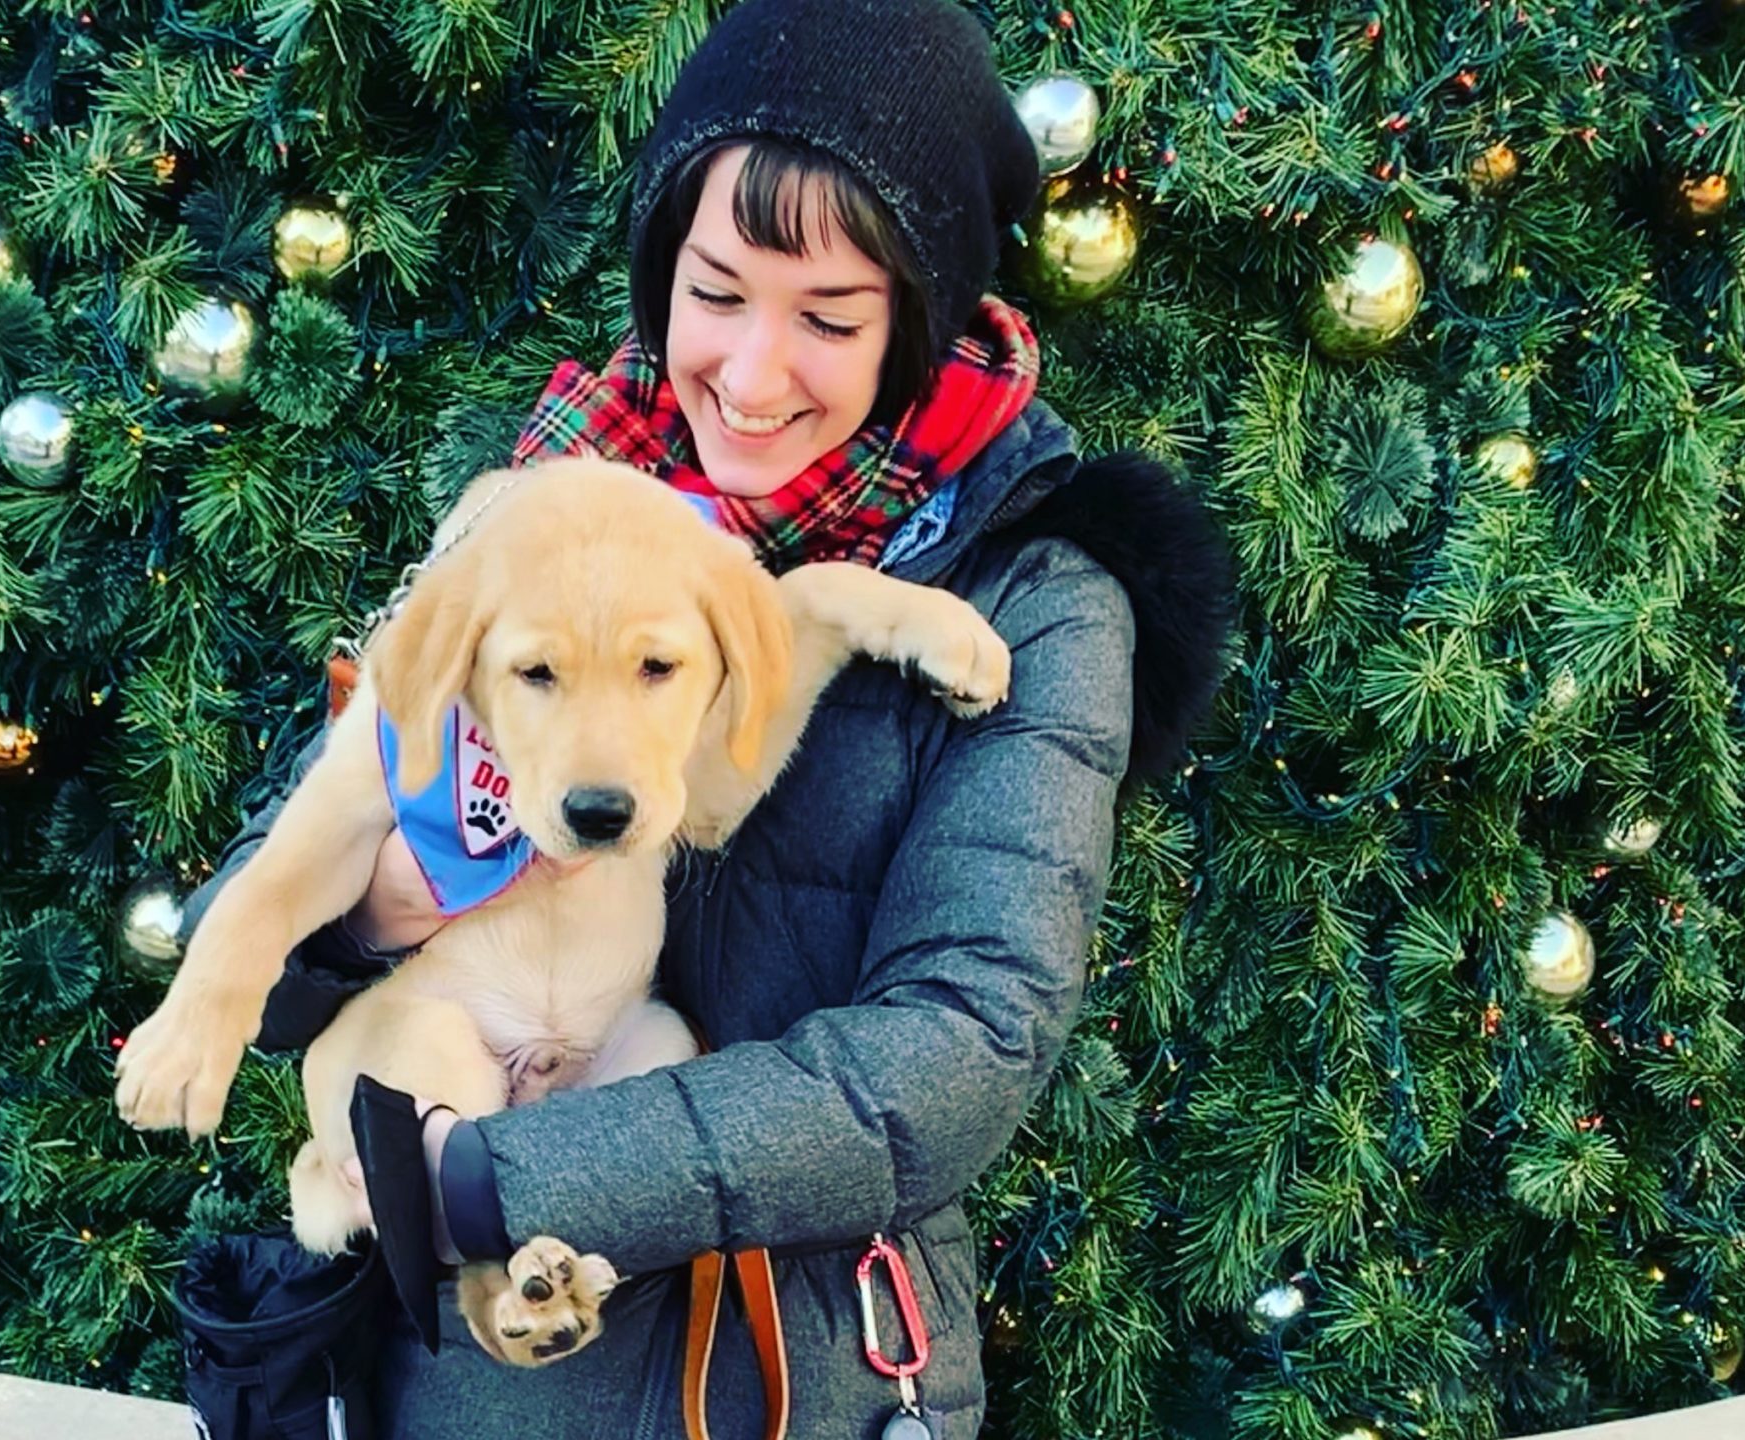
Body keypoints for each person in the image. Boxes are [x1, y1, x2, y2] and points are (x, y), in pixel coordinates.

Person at [177, 0, 1236, 1433]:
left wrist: (491, 1177)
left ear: (921, 318)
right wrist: (379, 911)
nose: (748, 373)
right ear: (660, 273)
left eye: (830, 318)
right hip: (478, 1389)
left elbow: (957, 1050)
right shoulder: (558, 499)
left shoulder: (1038, 600)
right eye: (716, 291)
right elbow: (296, 846)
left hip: (801, 1374)